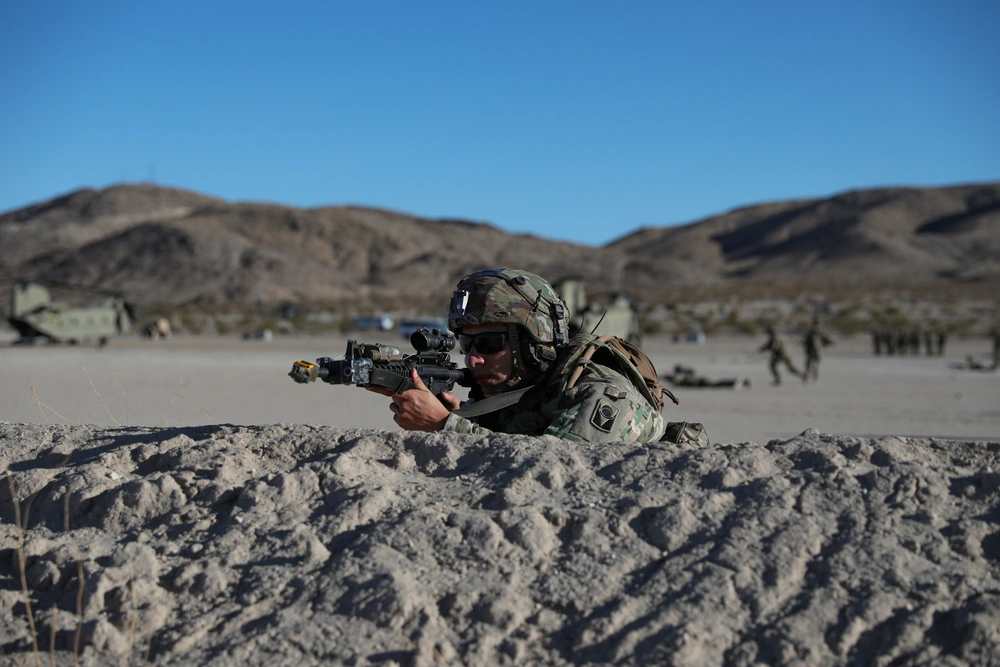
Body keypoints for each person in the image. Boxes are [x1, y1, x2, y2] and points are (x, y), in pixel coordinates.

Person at [368, 268, 666, 443]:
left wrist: (444, 424)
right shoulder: (525, 391)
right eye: (465, 344)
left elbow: (555, 470)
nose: (472, 360)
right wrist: (465, 414)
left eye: (488, 344)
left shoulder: (600, 393)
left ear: (534, 343)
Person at [802, 318, 834, 384]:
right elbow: (829, 340)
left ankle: (808, 379)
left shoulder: (811, 332)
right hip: (818, 351)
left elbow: (805, 341)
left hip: (811, 351)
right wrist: (823, 345)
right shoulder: (821, 331)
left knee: (809, 365)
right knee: (816, 365)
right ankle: (815, 379)